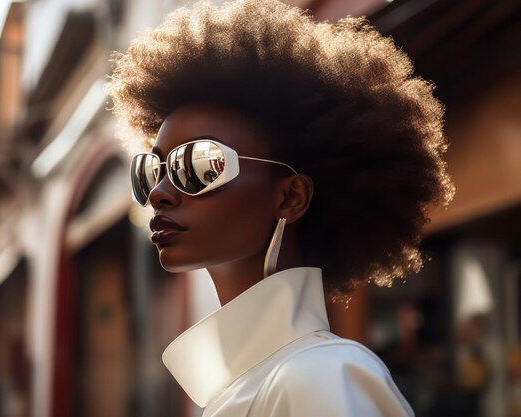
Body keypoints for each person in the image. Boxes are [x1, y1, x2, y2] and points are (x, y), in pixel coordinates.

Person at [109, 0, 454, 415]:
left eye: (198, 164)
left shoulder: (321, 375)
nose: (159, 193)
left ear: (290, 197)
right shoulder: (254, 384)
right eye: (152, 169)